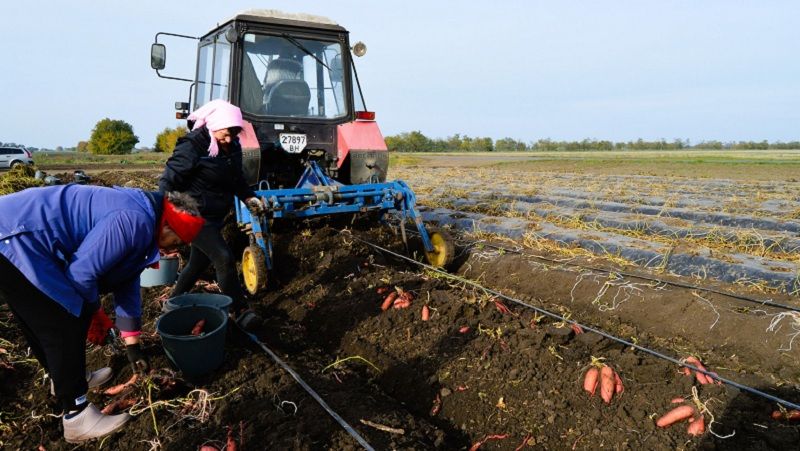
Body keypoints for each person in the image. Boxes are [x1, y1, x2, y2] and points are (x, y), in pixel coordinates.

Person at [0, 184, 205, 443]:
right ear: (167, 227)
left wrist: (133, 344)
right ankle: (76, 415)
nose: (171, 250)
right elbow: (81, 274)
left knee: (43, 315)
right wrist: (94, 312)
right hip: (16, 236)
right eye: (176, 242)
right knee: (60, 316)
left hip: (16, 233)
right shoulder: (135, 220)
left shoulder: (145, 218)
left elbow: (127, 281)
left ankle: (64, 377)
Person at [159, 99, 265, 329]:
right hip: (192, 214)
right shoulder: (193, 145)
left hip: (215, 214)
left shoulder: (233, 145)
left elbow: (236, 178)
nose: (229, 139)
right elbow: (168, 180)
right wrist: (160, 213)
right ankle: (240, 310)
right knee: (224, 258)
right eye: (226, 133)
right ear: (214, 124)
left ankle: (171, 303)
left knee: (198, 262)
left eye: (234, 133)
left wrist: (248, 196)